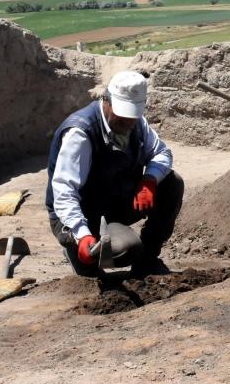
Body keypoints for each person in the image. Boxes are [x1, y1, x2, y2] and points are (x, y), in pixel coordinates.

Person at [46, 71, 184, 276]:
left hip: (115, 202)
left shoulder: (136, 123)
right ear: (106, 100)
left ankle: (148, 260)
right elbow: (65, 192)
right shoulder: (80, 133)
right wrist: (82, 235)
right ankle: (78, 251)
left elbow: (161, 153)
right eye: (122, 115)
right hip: (82, 212)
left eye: (132, 116)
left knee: (171, 183)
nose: (128, 123)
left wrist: (149, 181)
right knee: (125, 250)